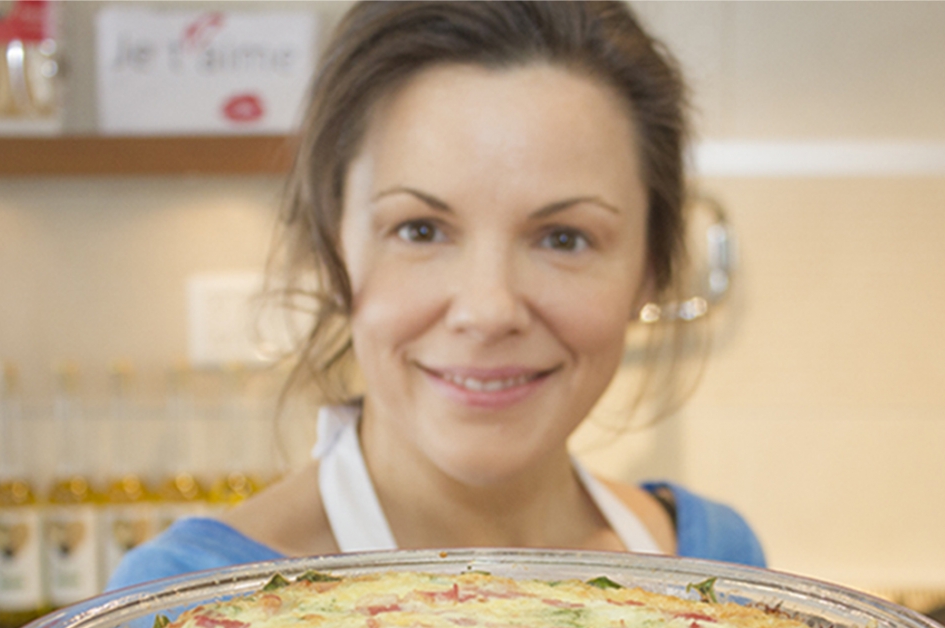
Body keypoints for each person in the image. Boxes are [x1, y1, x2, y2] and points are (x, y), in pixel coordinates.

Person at [108, 0, 765, 591]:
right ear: (334, 247)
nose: (487, 309)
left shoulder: (718, 568)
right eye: (419, 230)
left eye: (563, 238)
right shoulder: (175, 603)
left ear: (649, 268)